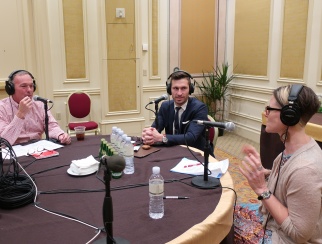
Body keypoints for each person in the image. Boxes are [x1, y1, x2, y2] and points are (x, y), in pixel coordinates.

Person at [235, 84, 322, 243]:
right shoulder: (291, 150)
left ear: (289, 116)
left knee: (223, 227)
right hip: (273, 223)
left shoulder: (306, 169)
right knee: (227, 213)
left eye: (269, 109)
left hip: (286, 239)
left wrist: (262, 189)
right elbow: (286, 183)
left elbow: (298, 234)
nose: (265, 113)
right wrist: (264, 172)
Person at [142, 70, 214, 155]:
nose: (179, 93)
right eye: (175, 88)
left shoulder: (200, 108)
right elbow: (156, 128)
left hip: (196, 154)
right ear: (169, 90)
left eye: (183, 88)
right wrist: (149, 134)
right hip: (172, 152)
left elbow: (190, 138)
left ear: (190, 89)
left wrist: (162, 138)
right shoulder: (165, 106)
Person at [0, 70, 71, 145]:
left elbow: (52, 126)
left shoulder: (40, 104)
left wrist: (60, 135)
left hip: (37, 149)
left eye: (31, 86)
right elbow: (4, 141)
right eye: (24, 86)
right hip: (14, 151)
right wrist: (20, 114)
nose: (29, 90)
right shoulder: (2, 108)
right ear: (11, 89)